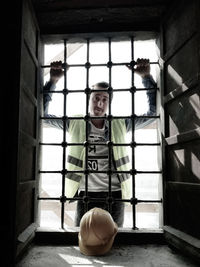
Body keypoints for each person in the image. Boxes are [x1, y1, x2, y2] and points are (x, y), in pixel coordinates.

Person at [43, 58, 157, 227]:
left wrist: (146, 76)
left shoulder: (120, 123)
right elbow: (44, 116)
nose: (100, 103)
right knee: (83, 235)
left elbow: (152, 113)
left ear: (109, 103)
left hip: (116, 194)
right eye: (96, 98)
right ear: (89, 99)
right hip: (86, 194)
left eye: (104, 99)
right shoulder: (75, 123)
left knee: (115, 238)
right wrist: (53, 81)